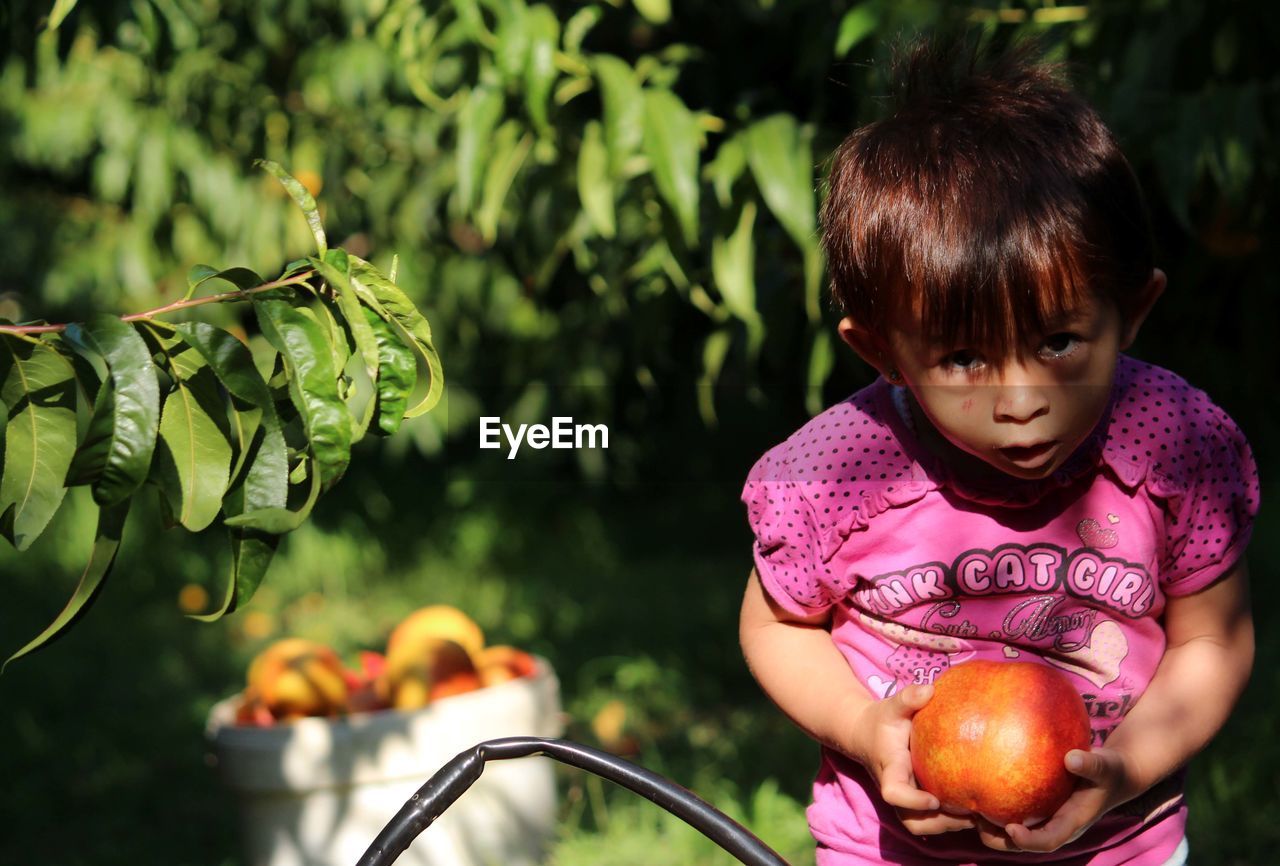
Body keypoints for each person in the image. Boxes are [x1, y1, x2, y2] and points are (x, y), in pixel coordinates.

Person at [738, 32, 1258, 866]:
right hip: (890, 853)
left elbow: (1213, 639)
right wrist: (865, 729)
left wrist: (1126, 770)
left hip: (1118, 850)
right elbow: (775, 626)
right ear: (883, 353)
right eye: (963, 358)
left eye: (1058, 342)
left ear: (1133, 311)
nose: (1021, 402)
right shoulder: (839, 470)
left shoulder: (1174, 445)